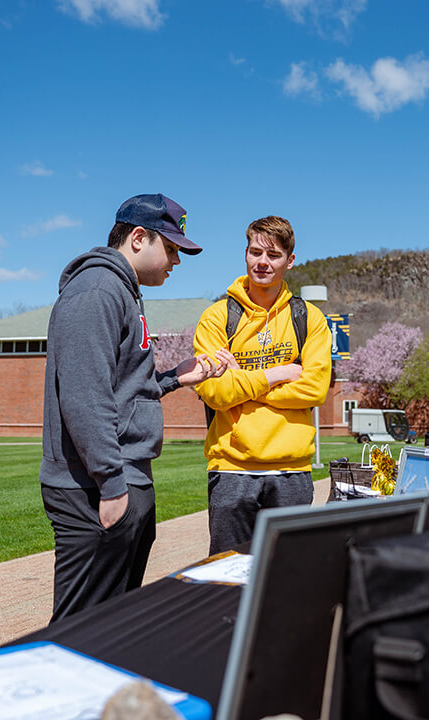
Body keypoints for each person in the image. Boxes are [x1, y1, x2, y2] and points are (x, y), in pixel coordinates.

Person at [39, 193, 234, 623]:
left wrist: (176, 378)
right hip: (92, 489)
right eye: (172, 249)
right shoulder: (96, 290)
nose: (176, 262)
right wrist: (110, 484)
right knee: (80, 628)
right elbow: (84, 395)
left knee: (112, 622)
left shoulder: (123, 292)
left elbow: (122, 389)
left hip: (121, 478)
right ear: (139, 238)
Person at [193, 215, 332, 555]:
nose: (262, 262)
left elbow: (314, 389)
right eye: (256, 252)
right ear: (246, 254)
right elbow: (214, 392)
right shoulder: (217, 318)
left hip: (291, 473)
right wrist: (278, 374)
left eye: (273, 256)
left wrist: (241, 383)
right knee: (225, 580)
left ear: (290, 261)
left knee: (286, 578)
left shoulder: (309, 318)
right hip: (231, 471)